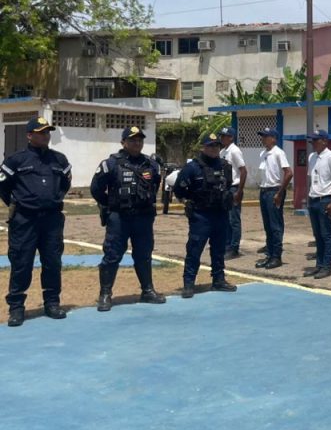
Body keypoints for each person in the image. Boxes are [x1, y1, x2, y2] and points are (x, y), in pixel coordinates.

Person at [0, 117, 72, 327]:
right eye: (41, 133)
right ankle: (16, 307)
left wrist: (52, 199)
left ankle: (52, 303)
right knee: (21, 263)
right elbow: (3, 187)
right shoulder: (15, 160)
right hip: (25, 220)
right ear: (29, 135)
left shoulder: (59, 159)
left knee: (52, 262)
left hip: (52, 220)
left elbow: (65, 184)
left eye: (47, 132)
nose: (45, 136)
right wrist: (18, 203)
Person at [90, 125, 165, 311]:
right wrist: (111, 204)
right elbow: (96, 189)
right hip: (119, 218)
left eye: (139, 140)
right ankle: (105, 294)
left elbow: (155, 186)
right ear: (123, 142)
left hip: (143, 218)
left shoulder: (151, 165)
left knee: (144, 255)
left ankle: (147, 291)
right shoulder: (111, 164)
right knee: (112, 255)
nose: (137, 143)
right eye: (132, 140)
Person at [173, 133, 236, 298]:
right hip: (201, 216)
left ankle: (219, 280)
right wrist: (188, 201)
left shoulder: (225, 166)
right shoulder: (192, 168)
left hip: (220, 214)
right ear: (203, 147)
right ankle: (189, 283)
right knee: (194, 249)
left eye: (216, 145)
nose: (214, 149)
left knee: (219, 250)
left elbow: (229, 185)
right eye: (210, 146)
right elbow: (179, 189)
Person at [304, 130, 331, 279]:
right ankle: (319, 265)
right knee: (318, 235)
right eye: (312, 141)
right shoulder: (312, 157)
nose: (313, 143)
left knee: (326, 234)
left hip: (325, 199)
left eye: (316, 140)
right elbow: (311, 178)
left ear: (325, 141)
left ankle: (327, 266)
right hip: (313, 199)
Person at [253, 128, 291, 269]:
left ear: (273, 139)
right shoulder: (263, 153)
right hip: (264, 191)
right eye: (262, 136)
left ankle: (276, 256)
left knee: (275, 225)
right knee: (268, 226)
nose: (262, 139)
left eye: (265, 136)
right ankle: (269, 254)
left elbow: (289, 173)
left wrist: (280, 193)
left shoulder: (278, 153)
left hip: (274, 191)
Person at [218, 126, 247, 259]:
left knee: (234, 219)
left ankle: (234, 248)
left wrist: (239, 191)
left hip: (234, 187)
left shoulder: (234, 151)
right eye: (221, 136)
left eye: (224, 136)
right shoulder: (223, 151)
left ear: (231, 137)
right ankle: (227, 245)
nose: (222, 138)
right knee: (226, 219)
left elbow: (243, 171)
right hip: (225, 188)